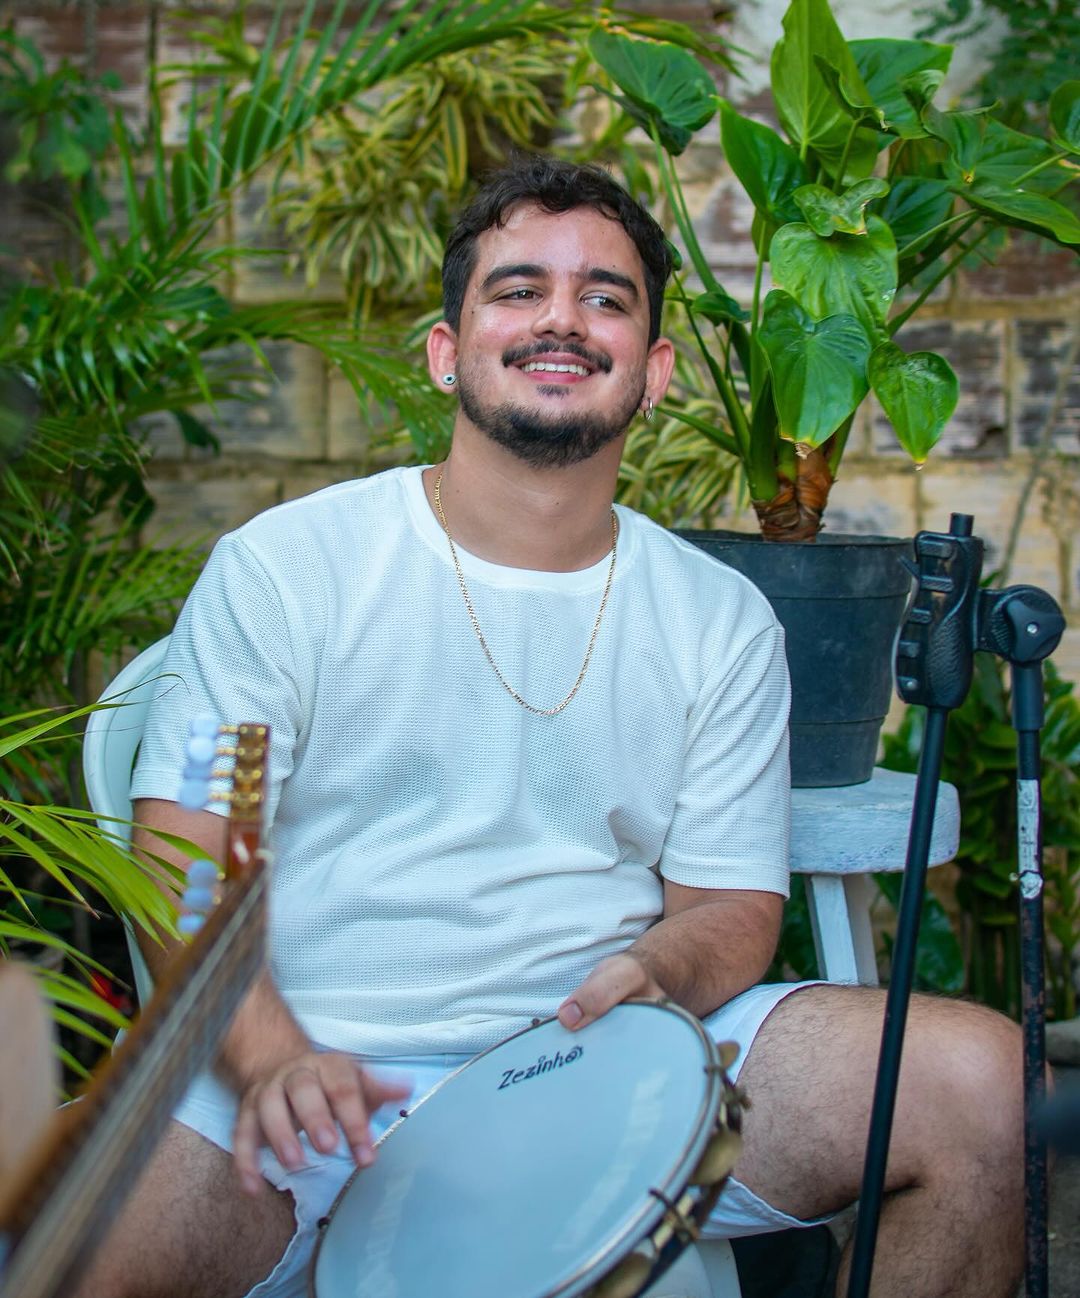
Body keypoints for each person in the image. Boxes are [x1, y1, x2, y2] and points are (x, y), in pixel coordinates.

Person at [74, 155, 1023, 1298]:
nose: (561, 319)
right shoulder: (288, 570)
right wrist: (276, 1059)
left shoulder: (719, 619)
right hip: (296, 1079)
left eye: (605, 297)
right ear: (447, 350)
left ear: (654, 370)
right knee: (81, 1230)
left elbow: (728, 903)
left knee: (975, 1080)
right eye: (519, 289)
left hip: (595, 1075)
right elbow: (187, 852)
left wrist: (658, 969)